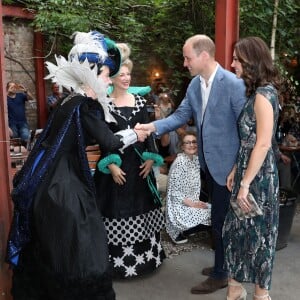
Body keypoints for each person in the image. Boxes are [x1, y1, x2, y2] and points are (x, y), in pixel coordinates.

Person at [6, 30, 147, 300]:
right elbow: (109, 142)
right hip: (64, 187)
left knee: (54, 247)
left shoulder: (68, 101)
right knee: (81, 249)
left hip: (47, 182)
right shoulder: (85, 105)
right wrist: (136, 134)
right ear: (91, 72)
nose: (109, 79)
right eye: (106, 73)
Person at [135, 34, 246, 294]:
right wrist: (152, 126)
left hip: (229, 170)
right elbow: (181, 116)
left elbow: (248, 131)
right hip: (209, 165)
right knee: (219, 220)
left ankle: (221, 274)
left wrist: (238, 167)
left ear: (204, 55)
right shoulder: (195, 85)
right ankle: (224, 266)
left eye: (188, 57)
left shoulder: (233, 84)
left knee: (220, 221)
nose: (185, 63)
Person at [94, 43, 165, 279]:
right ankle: (116, 265)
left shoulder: (141, 102)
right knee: (115, 210)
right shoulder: (103, 105)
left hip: (140, 168)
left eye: (128, 73)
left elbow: (150, 133)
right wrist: (110, 164)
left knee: (142, 208)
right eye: (120, 74)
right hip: (116, 169)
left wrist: (151, 159)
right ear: (111, 78)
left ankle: (147, 260)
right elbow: (102, 137)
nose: (126, 78)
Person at [223, 36, 281, 300]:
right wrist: (237, 169)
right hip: (248, 171)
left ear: (252, 61)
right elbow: (249, 143)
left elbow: (263, 143)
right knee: (236, 232)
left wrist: (245, 184)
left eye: (237, 58)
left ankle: (261, 295)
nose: (232, 63)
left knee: (260, 238)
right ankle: (235, 288)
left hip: (258, 179)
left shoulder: (263, 95)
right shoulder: (256, 93)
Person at [165, 131, 211, 244]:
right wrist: (194, 204)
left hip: (190, 201)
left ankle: (189, 229)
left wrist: (197, 202)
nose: (191, 145)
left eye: (194, 142)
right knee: (212, 213)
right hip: (178, 206)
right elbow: (175, 193)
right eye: (188, 143)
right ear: (182, 146)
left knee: (212, 208)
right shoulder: (180, 162)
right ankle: (181, 231)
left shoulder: (195, 160)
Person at [7, 81, 34, 146]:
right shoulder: (5, 97)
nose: (13, 88)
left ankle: (26, 153)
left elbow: (31, 98)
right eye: (11, 86)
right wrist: (7, 91)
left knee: (26, 138)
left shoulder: (20, 95)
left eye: (15, 86)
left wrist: (25, 90)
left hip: (23, 122)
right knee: (14, 140)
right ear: (7, 88)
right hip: (11, 123)